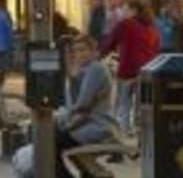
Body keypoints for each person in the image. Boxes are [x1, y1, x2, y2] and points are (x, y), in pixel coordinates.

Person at [13, 34, 115, 178]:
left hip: (97, 127)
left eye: (84, 50)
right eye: (76, 51)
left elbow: (82, 104)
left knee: (49, 140)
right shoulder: (82, 72)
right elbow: (72, 103)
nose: (79, 54)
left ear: (94, 52)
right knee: (51, 137)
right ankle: (84, 173)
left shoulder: (96, 69)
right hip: (84, 126)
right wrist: (70, 75)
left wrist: (62, 118)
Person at [108, 0, 161, 134]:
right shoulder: (152, 28)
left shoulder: (125, 24)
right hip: (147, 71)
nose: (122, 12)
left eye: (125, 9)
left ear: (133, 10)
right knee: (142, 107)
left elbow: (109, 43)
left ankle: (123, 134)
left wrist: (100, 53)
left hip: (127, 70)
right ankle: (140, 135)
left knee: (123, 105)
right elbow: (156, 49)